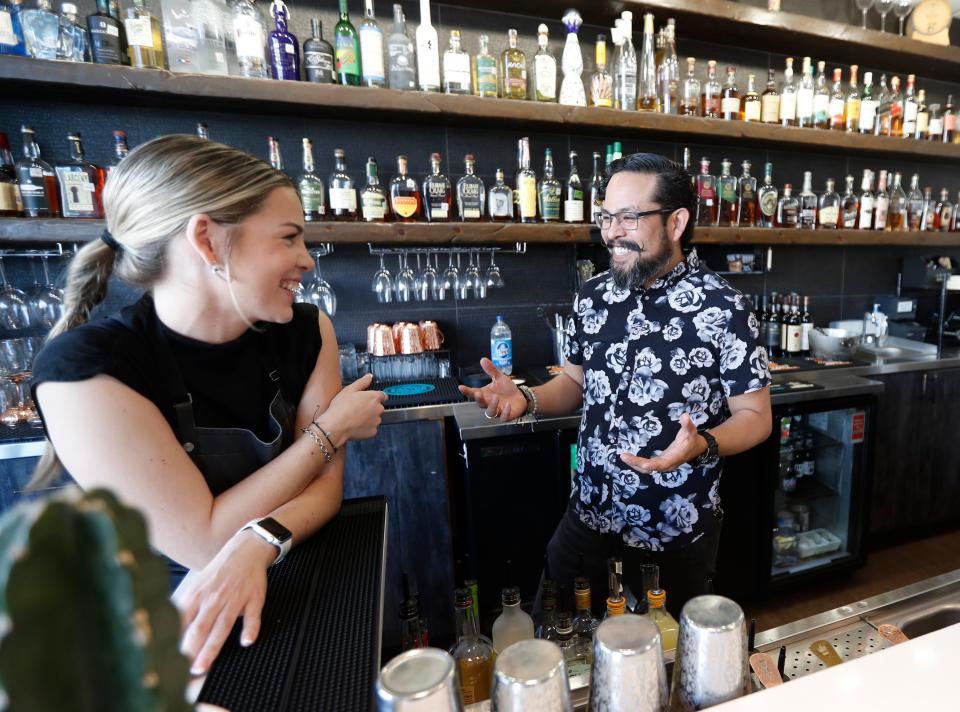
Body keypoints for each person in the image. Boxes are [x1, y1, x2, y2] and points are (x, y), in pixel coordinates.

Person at [29, 135, 386, 675]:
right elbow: (202, 543)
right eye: (289, 239)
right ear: (208, 241)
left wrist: (258, 541)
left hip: (288, 579)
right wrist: (328, 431)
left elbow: (327, 491)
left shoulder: (307, 332)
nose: (306, 261)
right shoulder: (87, 371)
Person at [459, 153, 772, 615]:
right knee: (559, 636)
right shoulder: (594, 297)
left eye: (629, 218)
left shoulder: (726, 308)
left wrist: (702, 443)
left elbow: (755, 418)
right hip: (588, 514)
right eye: (606, 218)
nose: (611, 232)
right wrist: (525, 398)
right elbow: (575, 385)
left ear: (677, 222)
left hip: (672, 528)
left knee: (661, 669)